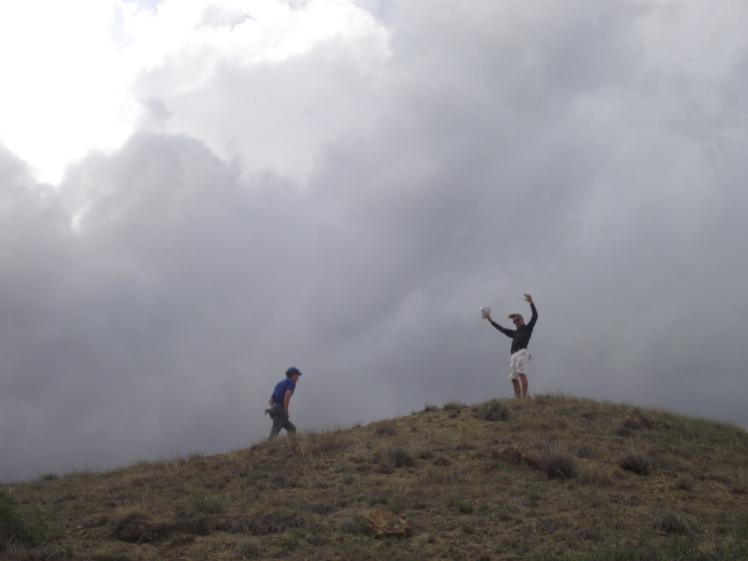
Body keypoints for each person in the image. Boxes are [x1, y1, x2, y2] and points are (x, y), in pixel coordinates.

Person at [484, 294, 538, 398]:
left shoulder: (527, 328)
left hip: (522, 352)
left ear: (522, 319)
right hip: (513, 354)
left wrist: (531, 303)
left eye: (518, 320)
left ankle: (524, 398)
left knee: (521, 371)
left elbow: (534, 317)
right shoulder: (514, 333)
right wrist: (491, 321)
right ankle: (518, 400)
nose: (516, 322)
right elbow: (503, 330)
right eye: (514, 321)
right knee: (513, 377)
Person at [266, 366, 301, 439]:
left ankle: (291, 444)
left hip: (273, 407)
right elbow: (287, 396)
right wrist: (285, 411)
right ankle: (270, 445)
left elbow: (270, 400)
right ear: (293, 374)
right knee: (274, 432)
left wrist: (274, 409)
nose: (298, 377)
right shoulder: (291, 382)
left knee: (292, 429)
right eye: (298, 375)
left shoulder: (280, 384)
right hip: (280, 409)